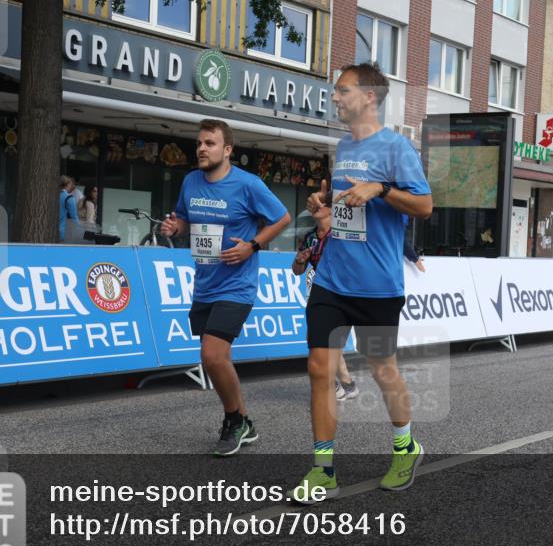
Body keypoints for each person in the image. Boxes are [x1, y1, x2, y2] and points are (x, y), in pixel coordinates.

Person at [293, 62, 433, 503]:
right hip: (333, 279)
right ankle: (323, 470)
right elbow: (346, 208)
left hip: (377, 285)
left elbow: (425, 206)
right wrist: (325, 208)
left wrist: (381, 189)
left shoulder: (397, 148)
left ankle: (406, 447)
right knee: (320, 369)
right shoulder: (343, 146)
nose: (335, 97)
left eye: (343, 90)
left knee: (382, 370)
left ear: (369, 96)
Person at [161, 119, 291, 456]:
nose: (202, 149)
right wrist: (176, 228)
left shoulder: (248, 184)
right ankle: (243, 422)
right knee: (220, 359)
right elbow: (184, 219)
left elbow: (282, 218)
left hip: (237, 285)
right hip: (205, 283)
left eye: (210, 143)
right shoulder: (191, 181)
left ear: (227, 149)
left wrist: (253, 246)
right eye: (199, 143)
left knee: (212, 355)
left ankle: (234, 421)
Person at [292, 203, 360, 402]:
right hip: (319, 291)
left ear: (332, 209)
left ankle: (334, 385)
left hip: (343, 291)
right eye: (314, 205)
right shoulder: (309, 237)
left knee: (323, 339)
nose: (316, 207)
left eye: (322, 204)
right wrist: (300, 260)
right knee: (324, 338)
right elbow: (296, 271)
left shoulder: (342, 234)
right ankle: (347, 384)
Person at [59, 175, 78, 241]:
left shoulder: (52, 196)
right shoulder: (69, 198)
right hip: (63, 232)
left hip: (49, 231)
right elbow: (74, 218)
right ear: (68, 184)